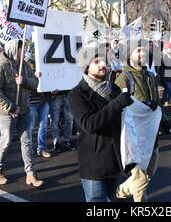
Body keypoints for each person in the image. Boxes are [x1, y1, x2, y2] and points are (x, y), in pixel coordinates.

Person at [68, 43, 134, 202]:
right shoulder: (77, 94)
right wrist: (117, 104)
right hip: (94, 164)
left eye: (104, 60)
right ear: (86, 67)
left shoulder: (114, 89)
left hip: (116, 160)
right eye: (96, 61)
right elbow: (89, 124)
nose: (103, 65)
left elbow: (125, 121)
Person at [0, 39, 44, 188]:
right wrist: (10, 107)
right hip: (7, 112)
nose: (23, 52)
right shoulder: (0, 67)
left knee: (26, 141)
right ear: (14, 49)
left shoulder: (25, 66)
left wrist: (24, 80)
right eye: (21, 49)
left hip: (25, 109)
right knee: (6, 140)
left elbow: (35, 83)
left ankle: (31, 174)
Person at [114, 39, 160, 202]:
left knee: (149, 174)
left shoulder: (150, 76)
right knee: (140, 181)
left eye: (144, 50)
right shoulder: (123, 78)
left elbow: (156, 103)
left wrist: (163, 120)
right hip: (135, 138)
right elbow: (117, 108)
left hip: (152, 136)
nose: (142, 53)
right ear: (128, 55)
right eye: (138, 50)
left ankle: (121, 191)